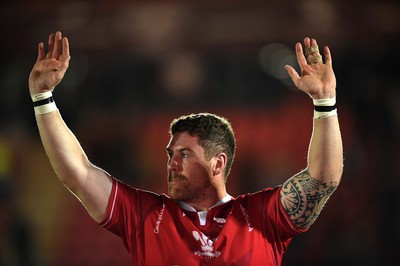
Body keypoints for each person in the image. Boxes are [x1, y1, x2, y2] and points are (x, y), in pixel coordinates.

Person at [28, 31, 343, 265]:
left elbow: (322, 181)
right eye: (171, 155)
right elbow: (78, 174)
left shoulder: (262, 217)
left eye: (185, 155)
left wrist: (325, 103)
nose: (172, 164)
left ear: (218, 163)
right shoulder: (145, 217)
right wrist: (44, 100)